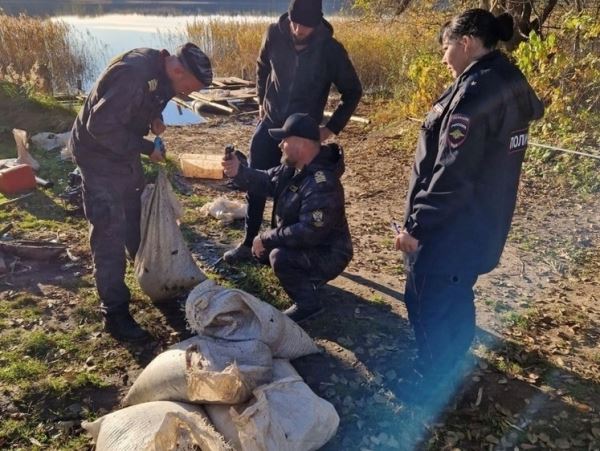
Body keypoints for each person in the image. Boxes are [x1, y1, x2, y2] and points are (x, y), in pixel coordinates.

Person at [395, 9, 544, 399]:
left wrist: (417, 226)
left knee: (424, 299)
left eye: (446, 49)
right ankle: (458, 375)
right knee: (455, 298)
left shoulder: (476, 90)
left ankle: (436, 384)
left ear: (465, 43)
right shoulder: (507, 83)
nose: (444, 59)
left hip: (450, 229)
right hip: (481, 224)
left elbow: (453, 171)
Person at [69, 43, 212, 342]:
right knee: (109, 230)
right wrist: (147, 148)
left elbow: (151, 99)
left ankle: (153, 280)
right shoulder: (132, 74)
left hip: (121, 154)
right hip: (97, 155)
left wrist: (153, 119)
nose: (187, 95)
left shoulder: (163, 70)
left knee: (136, 219)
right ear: (177, 69)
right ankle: (115, 312)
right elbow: (101, 126)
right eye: (189, 87)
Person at [223, 0, 362, 264]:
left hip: (300, 134)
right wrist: (261, 99)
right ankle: (247, 242)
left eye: (305, 26)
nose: (298, 30)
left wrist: (330, 128)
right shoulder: (274, 33)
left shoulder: (331, 50)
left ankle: (270, 247)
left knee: (287, 191)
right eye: (294, 23)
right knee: (256, 180)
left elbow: (353, 91)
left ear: (318, 22)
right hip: (270, 123)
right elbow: (262, 66)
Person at [222, 113, 353, 323]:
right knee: (267, 253)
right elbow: (266, 180)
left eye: (285, 140)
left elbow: (309, 232)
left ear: (301, 144)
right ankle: (303, 277)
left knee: (279, 257)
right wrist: (239, 171)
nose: (280, 145)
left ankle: (308, 303)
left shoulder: (323, 184)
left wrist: (265, 237)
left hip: (329, 252)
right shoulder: (292, 168)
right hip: (309, 242)